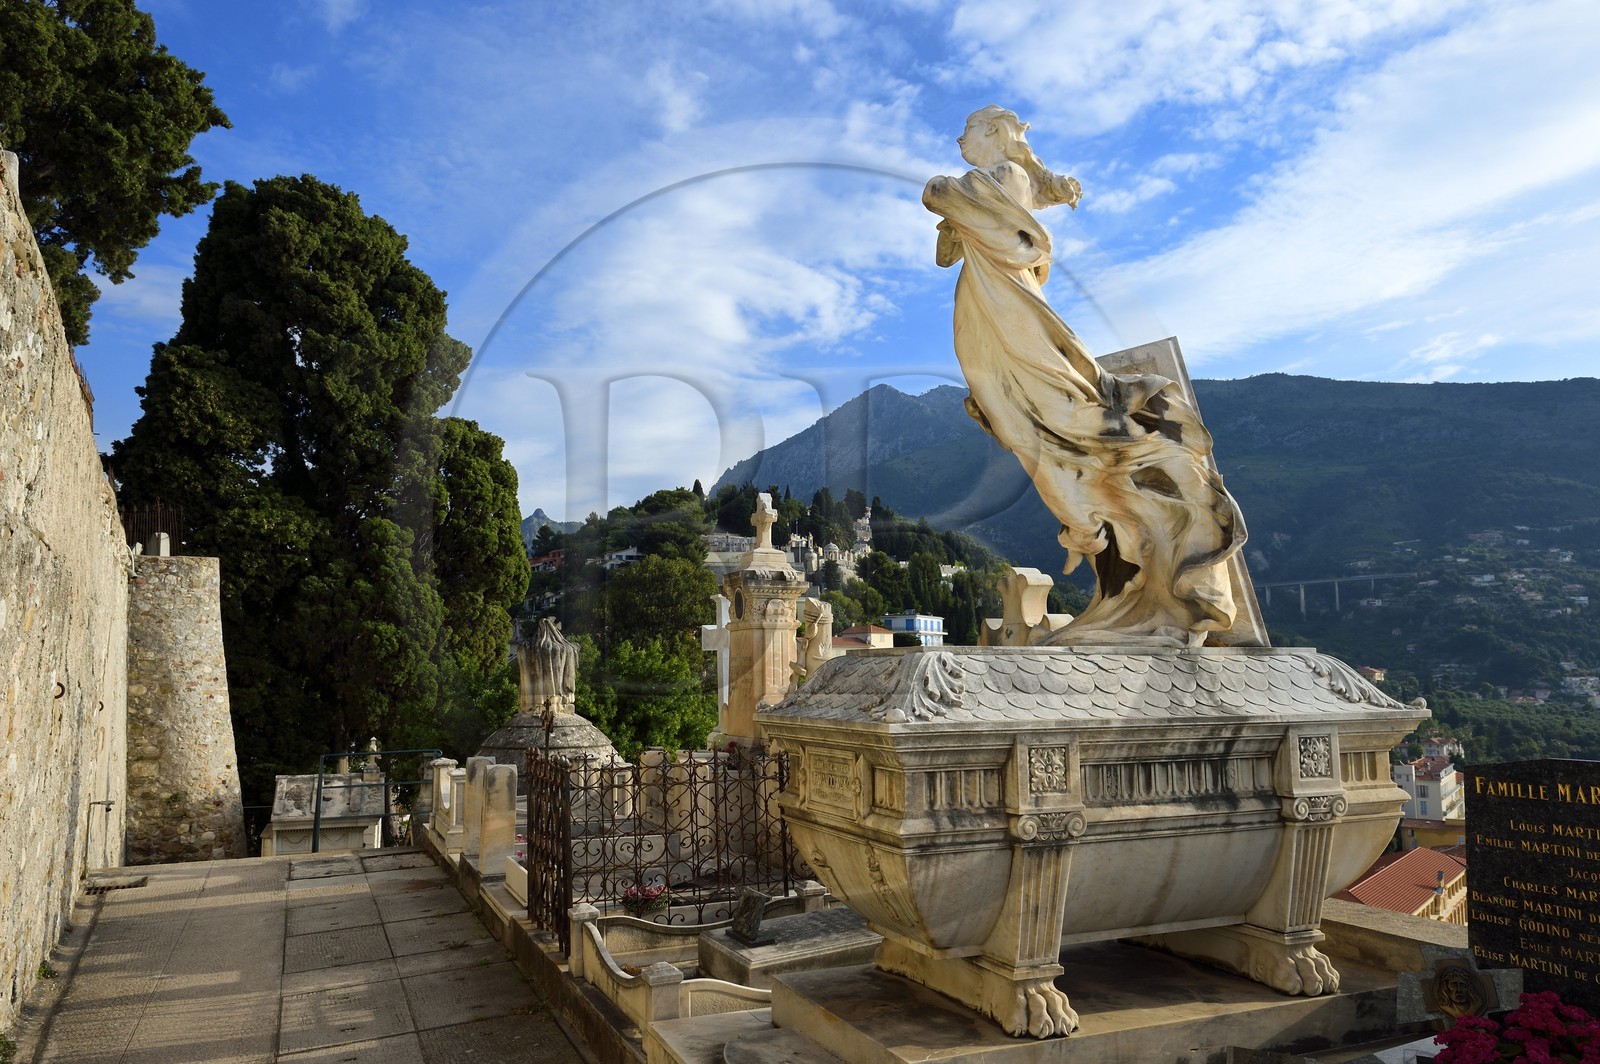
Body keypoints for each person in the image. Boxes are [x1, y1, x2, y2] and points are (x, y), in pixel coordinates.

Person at [923, 106, 1245, 646]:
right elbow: (947, 246)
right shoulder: (989, 182)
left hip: (1011, 315)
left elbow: (1011, 237)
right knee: (1024, 429)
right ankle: (1098, 529)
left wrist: (953, 197)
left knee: (1050, 423)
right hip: (989, 311)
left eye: (969, 129)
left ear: (995, 133)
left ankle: (1124, 516)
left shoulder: (1005, 174)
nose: (959, 138)